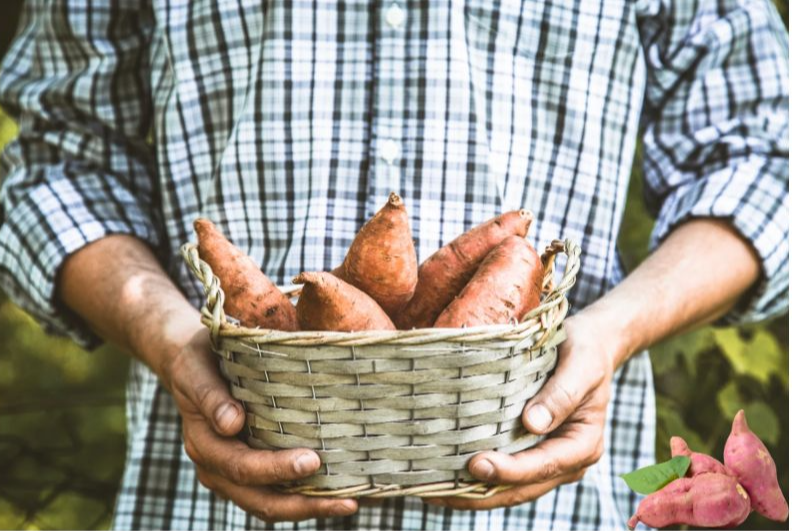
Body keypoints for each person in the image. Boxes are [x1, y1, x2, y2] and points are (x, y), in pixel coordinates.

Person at [0, 0, 787, 529]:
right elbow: (54, 167)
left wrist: (611, 331)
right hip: (205, 502)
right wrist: (169, 336)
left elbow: (764, 161)